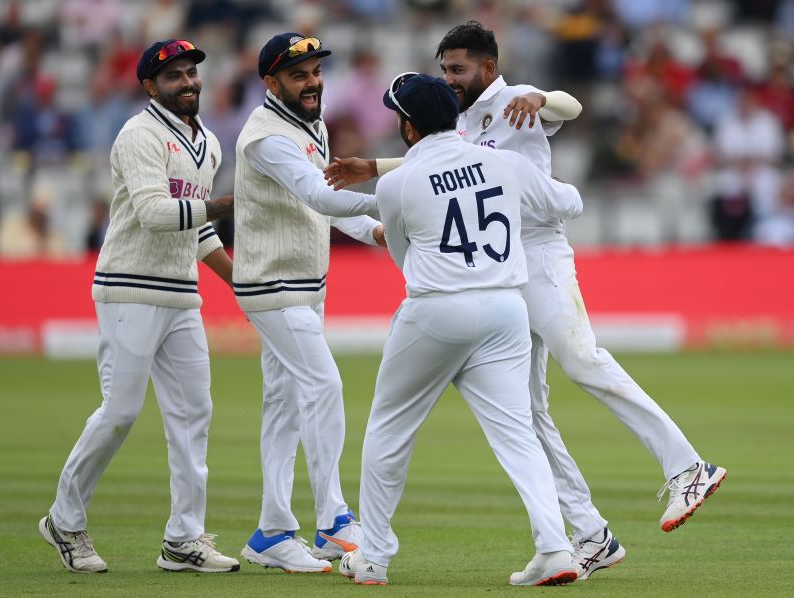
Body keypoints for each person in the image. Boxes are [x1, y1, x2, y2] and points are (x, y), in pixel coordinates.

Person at [325, 21, 726, 580]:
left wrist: (544, 98)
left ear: (488, 68)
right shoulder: (457, 116)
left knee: (582, 359)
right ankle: (589, 534)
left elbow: (570, 106)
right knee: (530, 416)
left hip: (538, 255)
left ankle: (688, 466)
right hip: (501, 270)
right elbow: (446, 159)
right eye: (445, 70)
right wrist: (374, 167)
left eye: (459, 68)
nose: (451, 77)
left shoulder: (516, 100)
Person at [338, 73, 583, 587]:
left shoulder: (395, 182)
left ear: (408, 128)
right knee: (518, 435)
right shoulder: (506, 161)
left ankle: (375, 557)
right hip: (505, 310)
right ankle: (557, 549)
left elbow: (404, 258)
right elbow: (570, 205)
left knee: (389, 428)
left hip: (435, 309)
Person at [39, 39, 239, 573]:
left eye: (192, 72)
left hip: (181, 296)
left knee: (194, 414)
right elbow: (155, 213)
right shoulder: (139, 134)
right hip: (128, 286)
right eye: (174, 75)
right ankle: (64, 519)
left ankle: (184, 539)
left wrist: (240, 282)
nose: (189, 82)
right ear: (150, 86)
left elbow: (195, 227)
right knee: (121, 410)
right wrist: (226, 204)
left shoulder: (210, 143)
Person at [232, 33, 384, 574]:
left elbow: (331, 204)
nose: (313, 81)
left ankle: (272, 531)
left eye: (316, 70)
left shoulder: (308, 125)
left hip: (304, 284)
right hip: (272, 285)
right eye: (298, 74)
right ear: (271, 83)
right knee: (323, 385)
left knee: (285, 403)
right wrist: (407, 191)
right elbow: (319, 194)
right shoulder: (268, 136)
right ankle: (334, 520)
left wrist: (376, 231)